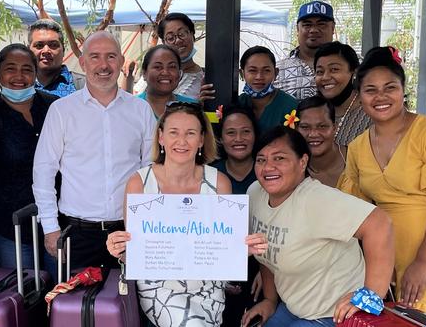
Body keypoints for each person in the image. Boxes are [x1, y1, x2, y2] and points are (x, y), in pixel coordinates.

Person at [338, 46, 426, 326]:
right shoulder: (356, 148)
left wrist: (423, 263)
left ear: (403, 90)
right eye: (371, 90)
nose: (381, 97)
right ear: (359, 96)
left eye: (390, 87)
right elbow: (356, 211)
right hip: (390, 261)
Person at [106, 101, 268, 327]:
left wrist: (243, 250)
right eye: (174, 132)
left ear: (201, 139)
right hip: (159, 287)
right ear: (161, 137)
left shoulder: (218, 183)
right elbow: (136, 253)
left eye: (190, 133)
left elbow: (222, 248)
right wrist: (120, 250)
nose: (181, 141)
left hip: (208, 285)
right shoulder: (140, 183)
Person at [241, 126, 394, 327]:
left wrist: (371, 295)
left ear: (302, 161)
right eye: (261, 160)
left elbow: (380, 224)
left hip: (333, 314)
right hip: (293, 307)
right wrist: (270, 300)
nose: (268, 167)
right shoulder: (255, 193)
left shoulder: (317, 200)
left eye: (279, 158)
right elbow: (266, 248)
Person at [33, 31, 156, 271]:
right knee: (77, 306)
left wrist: (146, 226)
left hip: (128, 233)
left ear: (121, 62)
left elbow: (150, 171)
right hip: (77, 236)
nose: (103, 65)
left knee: (127, 305)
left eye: (111, 57)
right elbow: (43, 171)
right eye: (95, 57)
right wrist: (50, 228)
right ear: (82, 62)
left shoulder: (140, 110)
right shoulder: (61, 111)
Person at [0, 43, 58, 279]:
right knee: (22, 300)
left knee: (63, 296)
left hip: (56, 223)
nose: (19, 76)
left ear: (35, 72)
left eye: (27, 69)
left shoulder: (54, 108)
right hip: (11, 228)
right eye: (11, 68)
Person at [211, 105, 262, 326]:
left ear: (255, 135)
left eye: (246, 131)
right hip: (217, 264)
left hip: (260, 265)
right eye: (231, 132)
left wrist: (267, 273)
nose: (238, 138)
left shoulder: (269, 172)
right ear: (220, 138)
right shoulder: (209, 174)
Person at [274, 1, 335, 100]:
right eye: (307, 25)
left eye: (321, 24)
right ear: (297, 29)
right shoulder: (277, 71)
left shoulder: (355, 65)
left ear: (332, 29)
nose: (313, 30)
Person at [134, 13, 204, 99]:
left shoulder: (204, 81)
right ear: (164, 42)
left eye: (182, 34)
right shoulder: (152, 73)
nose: (178, 40)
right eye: (171, 38)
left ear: (192, 35)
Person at [314, 41, 370, 146]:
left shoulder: (371, 113)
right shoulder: (313, 111)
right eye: (320, 72)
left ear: (354, 72)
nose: (325, 77)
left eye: (334, 69)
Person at [238, 46, 297, 134]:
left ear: (276, 73)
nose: (259, 77)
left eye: (266, 70)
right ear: (242, 74)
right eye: (252, 70)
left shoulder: (290, 106)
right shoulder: (237, 103)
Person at [296, 96, 347, 187]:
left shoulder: (355, 158)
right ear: (296, 129)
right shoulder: (293, 170)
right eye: (305, 127)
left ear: (334, 128)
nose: (313, 134)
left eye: (322, 126)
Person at [136, 44, 199, 118]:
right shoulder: (133, 107)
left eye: (172, 67)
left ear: (179, 74)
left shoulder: (193, 108)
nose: (165, 72)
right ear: (144, 73)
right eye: (158, 67)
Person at [28, 18, 86, 97]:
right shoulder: (18, 86)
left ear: (63, 50)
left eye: (53, 45)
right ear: (28, 51)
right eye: (39, 45)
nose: (46, 51)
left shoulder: (85, 87)